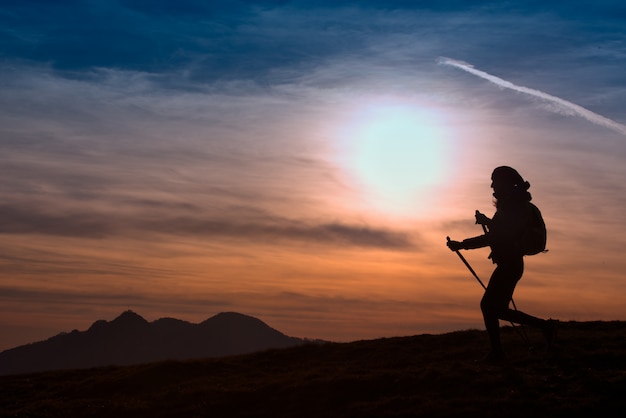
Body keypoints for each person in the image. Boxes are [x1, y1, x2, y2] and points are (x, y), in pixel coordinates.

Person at [447, 166, 556, 362]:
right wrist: (487, 224)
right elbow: (501, 233)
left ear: (505, 183)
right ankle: (543, 328)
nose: (491, 186)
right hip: (510, 263)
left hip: (511, 265)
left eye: (494, 181)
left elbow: (498, 234)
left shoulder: (513, 205)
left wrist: (462, 244)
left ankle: (500, 352)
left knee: (489, 307)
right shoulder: (513, 204)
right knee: (496, 308)